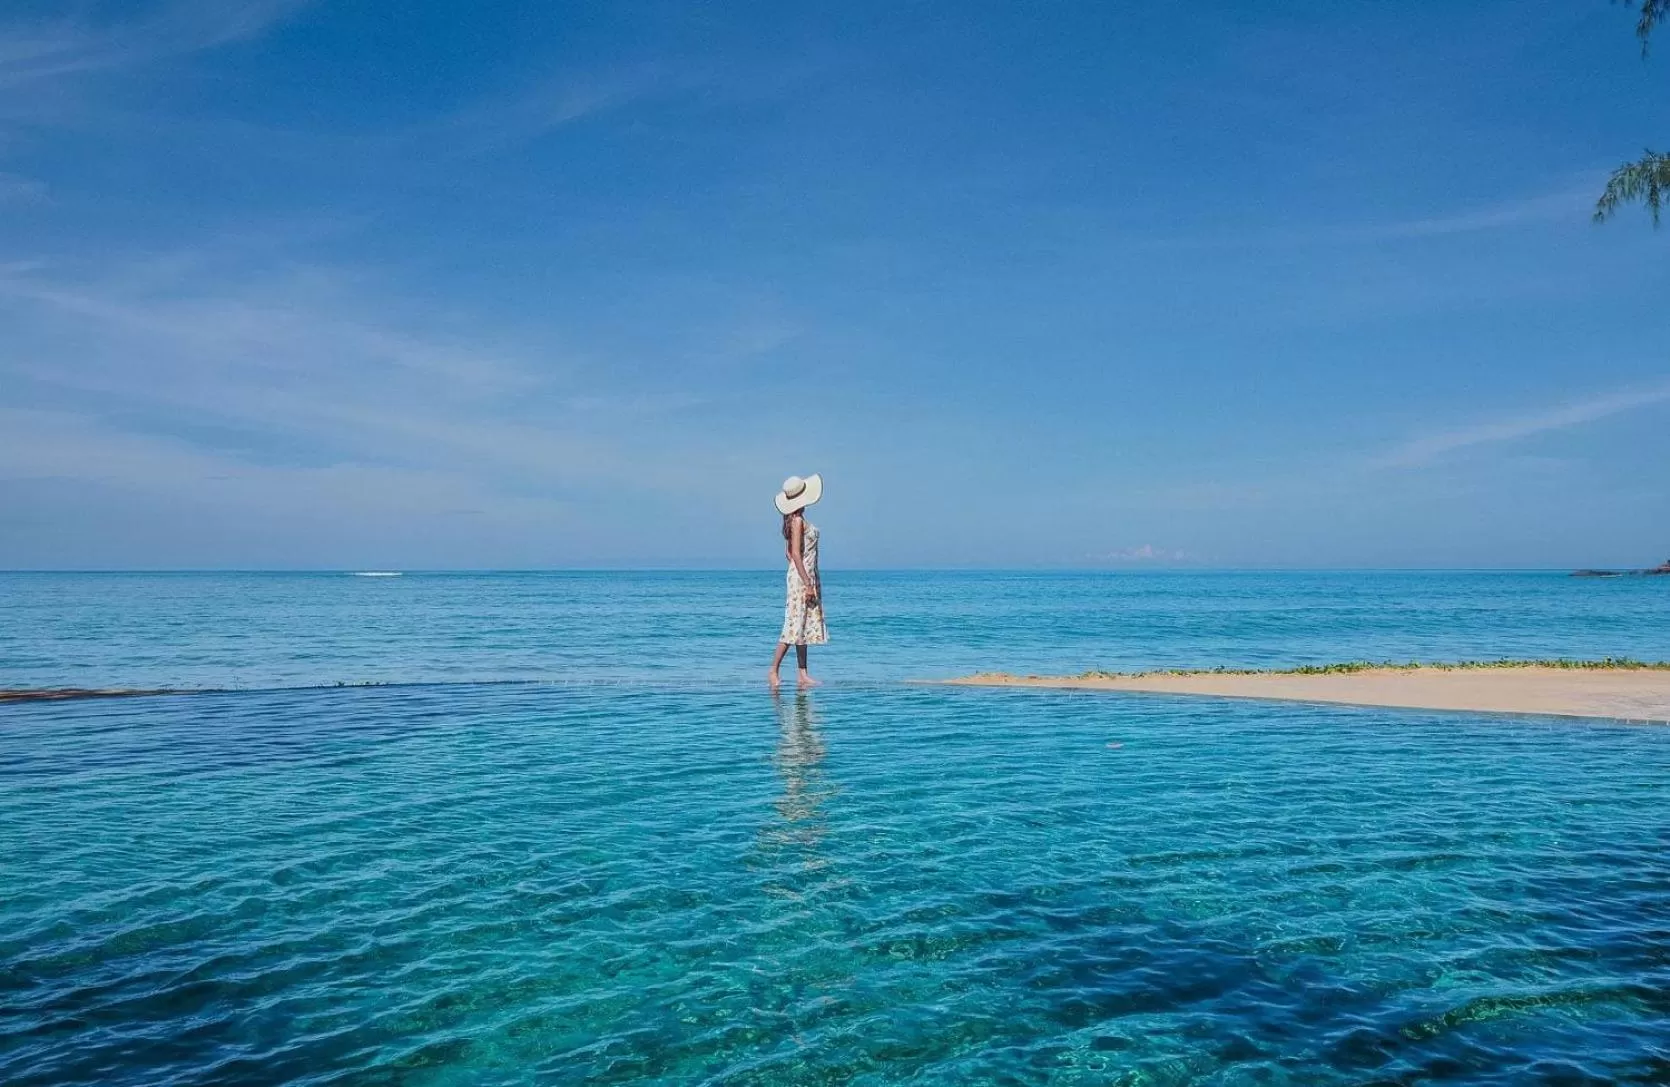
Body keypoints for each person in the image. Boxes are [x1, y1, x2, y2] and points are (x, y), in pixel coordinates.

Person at [768, 474, 826, 688]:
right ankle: (773, 670)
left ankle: (803, 674)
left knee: (803, 626)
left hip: (805, 574)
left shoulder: (793, 521)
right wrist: (807, 583)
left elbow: (789, 553)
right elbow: (795, 553)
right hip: (802, 578)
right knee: (793, 625)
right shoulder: (798, 521)